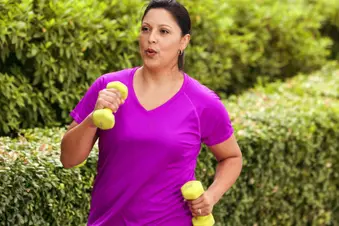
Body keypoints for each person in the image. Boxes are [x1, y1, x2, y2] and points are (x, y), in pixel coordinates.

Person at [60, 0, 242, 225]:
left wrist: (211, 196)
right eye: (146, 29)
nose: (151, 38)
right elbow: (68, 159)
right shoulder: (108, 87)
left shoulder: (202, 102)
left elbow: (232, 157)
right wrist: (92, 119)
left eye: (163, 31)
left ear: (183, 42)